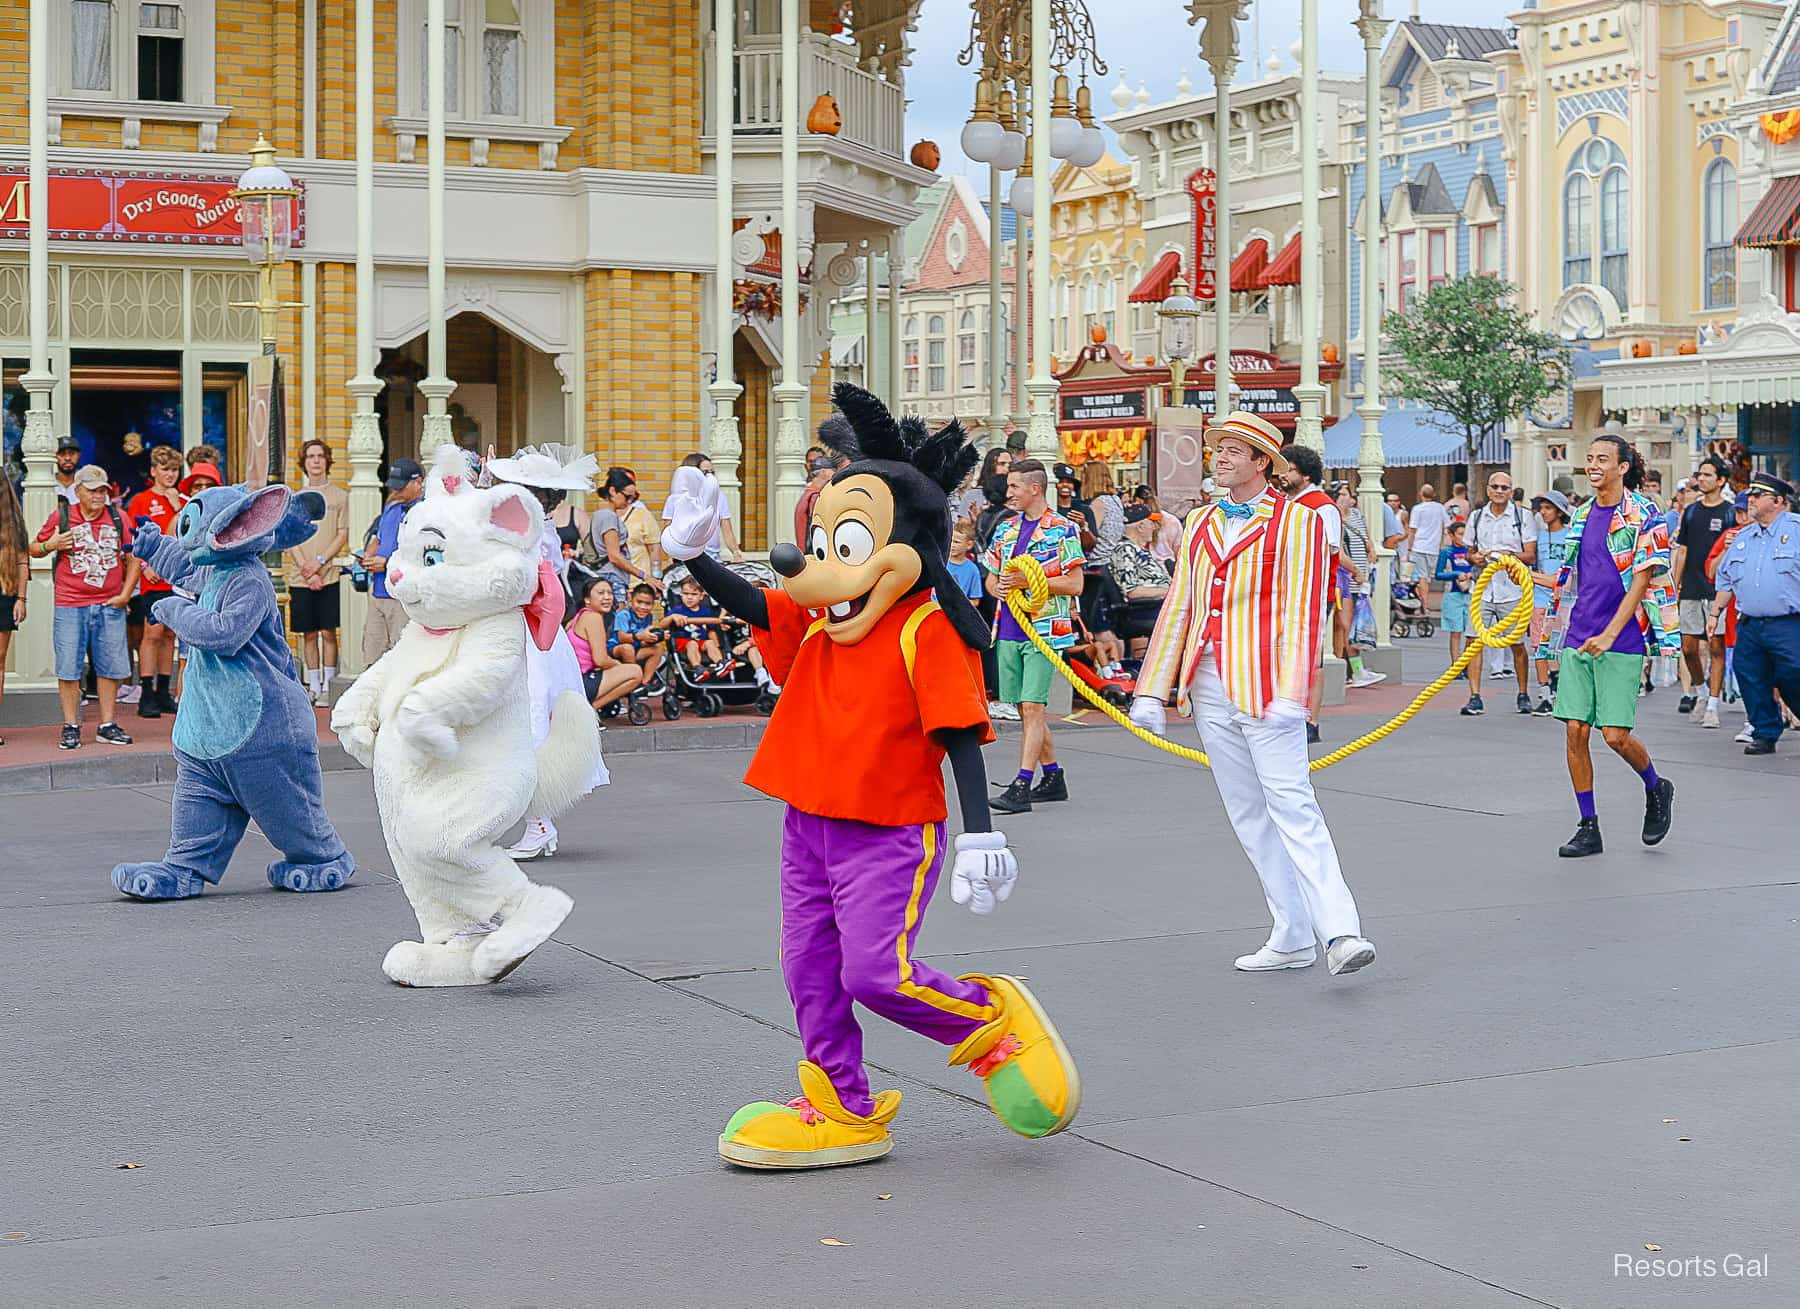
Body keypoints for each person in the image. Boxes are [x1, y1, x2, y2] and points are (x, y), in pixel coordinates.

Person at [661, 385, 1077, 1170]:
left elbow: (957, 730)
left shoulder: (922, 626)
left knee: (876, 972)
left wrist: (980, 833)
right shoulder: (825, 618)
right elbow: (762, 601)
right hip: (809, 820)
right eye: (822, 544)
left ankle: (991, 1022)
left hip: (887, 827)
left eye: (842, 546)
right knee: (808, 968)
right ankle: (843, 1105)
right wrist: (694, 556)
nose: (817, 566)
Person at [1131, 412, 1377, 978]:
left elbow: (1304, 610)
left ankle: (1340, 929)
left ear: (1262, 461)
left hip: (1266, 682)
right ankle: (1291, 933)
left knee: (1291, 801)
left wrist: (1294, 689)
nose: (1219, 458)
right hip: (1208, 681)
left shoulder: (1301, 523)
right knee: (1246, 811)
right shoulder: (1199, 522)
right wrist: (1153, 689)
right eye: (1216, 449)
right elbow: (1181, 605)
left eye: (1233, 450)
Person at [1538, 433, 1677, 857]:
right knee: (1575, 730)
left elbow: (1643, 579)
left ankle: (1656, 787)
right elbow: (1572, 578)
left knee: (1615, 736)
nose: (1594, 465)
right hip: (1580, 633)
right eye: (1590, 458)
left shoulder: (1644, 515)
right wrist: (1521, 573)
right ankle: (1588, 825)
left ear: (1622, 467)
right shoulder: (1581, 515)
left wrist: (1612, 633)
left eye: (1603, 459)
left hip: (1623, 636)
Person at [486, 443, 611, 860]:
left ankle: (538, 822)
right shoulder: (537, 528)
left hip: (529, 631)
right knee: (524, 718)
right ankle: (536, 822)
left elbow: (526, 583)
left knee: (528, 718)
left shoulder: (531, 533)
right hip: (537, 631)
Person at [984, 458, 1085, 814]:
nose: (1008, 493)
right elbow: (992, 575)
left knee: (1032, 706)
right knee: (1026, 709)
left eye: (1013, 487)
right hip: (1009, 628)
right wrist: (997, 586)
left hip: (1044, 631)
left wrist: (1033, 581)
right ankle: (1053, 777)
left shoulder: (1061, 529)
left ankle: (1022, 785)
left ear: (1034, 489)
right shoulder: (1005, 529)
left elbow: (1075, 583)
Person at [30, 464, 140, 749]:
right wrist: (51, 544)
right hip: (71, 603)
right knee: (69, 667)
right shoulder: (63, 516)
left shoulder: (119, 517)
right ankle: (71, 725)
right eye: (92, 490)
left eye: (102, 490)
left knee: (110, 667)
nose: (98, 496)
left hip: (110, 603)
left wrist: (126, 594)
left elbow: (135, 558)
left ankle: (107, 724)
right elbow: (33, 548)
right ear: (78, 491)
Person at [1712, 471, 1800, 756]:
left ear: (1777, 501)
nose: (1750, 500)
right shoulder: (1743, 537)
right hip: (1749, 622)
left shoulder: (1796, 531)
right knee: (1750, 675)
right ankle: (1765, 731)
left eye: (1757, 495)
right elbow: (1726, 579)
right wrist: (1714, 613)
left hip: (1788, 622)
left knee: (1793, 672)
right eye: (1750, 495)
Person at [1279, 444, 1342, 741]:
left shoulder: (1321, 505)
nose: (1283, 475)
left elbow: (1329, 550)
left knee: (1311, 658)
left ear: (1305, 475)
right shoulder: (1287, 504)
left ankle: (1310, 721)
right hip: (1286, 593)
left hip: (1312, 595)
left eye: (1289, 469)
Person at [1463, 469, 1536, 715]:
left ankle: (1523, 692)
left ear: (1511, 491)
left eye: (1504, 488)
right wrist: (1477, 557)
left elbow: (1530, 554)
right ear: (1488, 489)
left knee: (1516, 643)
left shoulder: (1522, 516)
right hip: (1482, 589)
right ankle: (1474, 695)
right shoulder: (1476, 517)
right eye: (1495, 487)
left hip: (1511, 589)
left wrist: (1509, 556)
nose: (1499, 491)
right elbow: (1468, 553)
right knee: (1474, 642)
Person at [282, 439, 349, 706]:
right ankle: (313, 685)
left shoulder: (340, 496)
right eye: (311, 456)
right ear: (304, 462)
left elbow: (342, 533)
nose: (316, 460)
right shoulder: (295, 498)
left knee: (328, 631)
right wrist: (307, 569)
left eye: (321, 455)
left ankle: (329, 686)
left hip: (329, 573)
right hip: (302, 577)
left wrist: (320, 562)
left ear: (327, 460)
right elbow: (290, 537)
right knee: (308, 633)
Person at [125, 445, 187, 718]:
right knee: (152, 633)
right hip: (152, 577)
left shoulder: (184, 502)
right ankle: (146, 692)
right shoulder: (141, 500)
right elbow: (134, 539)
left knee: (170, 635)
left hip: (178, 579)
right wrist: (145, 567)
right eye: (165, 469)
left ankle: (164, 690)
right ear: (154, 471)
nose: (170, 475)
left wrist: (176, 506)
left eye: (174, 469)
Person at [1672, 456, 1734, 728]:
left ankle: (1712, 704)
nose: (1702, 479)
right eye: (1700, 474)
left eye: (1708, 475)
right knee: (1687, 648)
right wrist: (1675, 584)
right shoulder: (1692, 511)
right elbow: (1683, 549)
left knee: (1716, 647)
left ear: (1721, 480)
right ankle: (1698, 688)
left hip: (1717, 590)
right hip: (1691, 586)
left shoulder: (1730, 513)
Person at [358, 458, 423, 667]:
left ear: (418, 482)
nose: (396, 490)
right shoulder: (392, 507)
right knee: (372, 654)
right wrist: (368, 557)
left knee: (401, 655)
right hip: (378, 591)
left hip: (403, 595)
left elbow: (422, 553)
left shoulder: (427, 511)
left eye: (401, 486)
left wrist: (386, 564)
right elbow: (378, 538)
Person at [1335, 483, 1386, 689]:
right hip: (1346, 577)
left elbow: (1366, 538)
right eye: (1343, 495)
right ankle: (1354, 670)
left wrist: (1371, 551)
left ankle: (1352, 670)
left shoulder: (1357, 515)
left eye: (1348, 495)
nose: (1348, 499)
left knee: (1352, 625)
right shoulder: (1333, 519)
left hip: (1360, 577)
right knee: (1345, 626)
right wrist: (1355, 571)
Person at [567, 577, 643, 712]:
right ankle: (588, 711)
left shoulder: (579, 616)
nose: (607, 597)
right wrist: (619, 666)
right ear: (587, 599)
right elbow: (600, 660)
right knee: (635, 672)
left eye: (610, 593)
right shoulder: (593, 617)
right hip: (582, 682)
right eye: (601, 593)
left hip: (573, 680)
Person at [1527, 490, 1572, 715]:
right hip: (1541, 597)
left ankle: (1559, 688)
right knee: (1538, 647)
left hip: (1564, 600)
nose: (1543, 512)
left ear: (1559, 511)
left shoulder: (1570, 536)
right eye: (1541, 508)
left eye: (1548, 508)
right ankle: (1544, 693)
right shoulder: (1538, 537)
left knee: (1561, 647)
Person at [590, 467, 661, 604]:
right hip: (613, 576)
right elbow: (614, 556)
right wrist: (644, 575)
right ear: (612, 491)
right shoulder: (608, 517)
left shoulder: (600, 515)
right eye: (627, 496)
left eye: (634, 498)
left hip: (609, 575)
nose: (629, 501)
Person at [662, 452, 744, 561]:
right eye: (705, 472)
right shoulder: (675, 499)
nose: (709, 476)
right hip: (686, 560)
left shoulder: (719, 497)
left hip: (712, 559)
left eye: (712, 473)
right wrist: (670, 559)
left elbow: (727, 529)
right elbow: (669, 530)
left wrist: (736, 553)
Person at [0, 474, 27, 746]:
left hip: (4, 595)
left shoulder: (13, 525)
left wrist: (22, 598)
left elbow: (22, 562)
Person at [662, 575, 728, 674]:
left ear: (701, 596)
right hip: (683, 642)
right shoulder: (677, 611)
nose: (689, 597)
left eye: (694, 594)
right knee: (692, 644)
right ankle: (698, 668)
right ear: (681, 594)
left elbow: (711, 630)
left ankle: (721, 663)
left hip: (701, 642)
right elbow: (662, 625)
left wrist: (717, 646)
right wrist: (672, 617)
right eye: (686, 593)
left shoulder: (707, 612)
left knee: (710, 643)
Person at [1437, 519, 1474, 678]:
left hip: (1471, 593)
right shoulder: (1446, 552)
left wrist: (1472, 575)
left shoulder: (1470, 551)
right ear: (1451, 535)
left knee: (1471, 633)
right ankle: (1455, 665)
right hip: (1453, 594)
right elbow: (1438, 574)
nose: (1462, 537)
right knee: (1456, 631)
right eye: (1459, 534)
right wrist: (1455, 575)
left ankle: (1465, 662)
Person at [612, 581, 668, 685]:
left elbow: (643, 642)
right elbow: (621, 638)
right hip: (616, 649)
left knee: (658, 648)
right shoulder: (624, 614)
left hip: (635, 650)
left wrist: (656, 638)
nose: (643, 607)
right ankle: (634, 680)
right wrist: (641, 636)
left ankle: (644, 683)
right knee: (627, 648)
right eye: (639, 602)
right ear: (631, 600)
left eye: (648, 604)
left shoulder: (649, 617)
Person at [1406, 484, 1449, 616]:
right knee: (1429, 577)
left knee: (1421, 578)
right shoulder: (1440, 508)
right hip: (1434, 548)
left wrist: (1409, 548)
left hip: (1419, 546)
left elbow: (1412, 530)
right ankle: (1431, 603)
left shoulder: (1417, 509)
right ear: (1434, 494)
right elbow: (1446, 527)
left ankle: (1424, 605)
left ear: (1421, 494)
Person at [1080, 462, 1125, 548]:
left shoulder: (1099, 503)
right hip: (1113, 554)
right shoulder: (1116, 500)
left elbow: (1092, 535)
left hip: (1098, 557)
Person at [53, 435, 82, 502]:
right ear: (55, 456)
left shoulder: (87, 482)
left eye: (72, 453)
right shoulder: (48, 482)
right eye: (62, 454)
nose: (67, 458)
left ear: (79, 455)